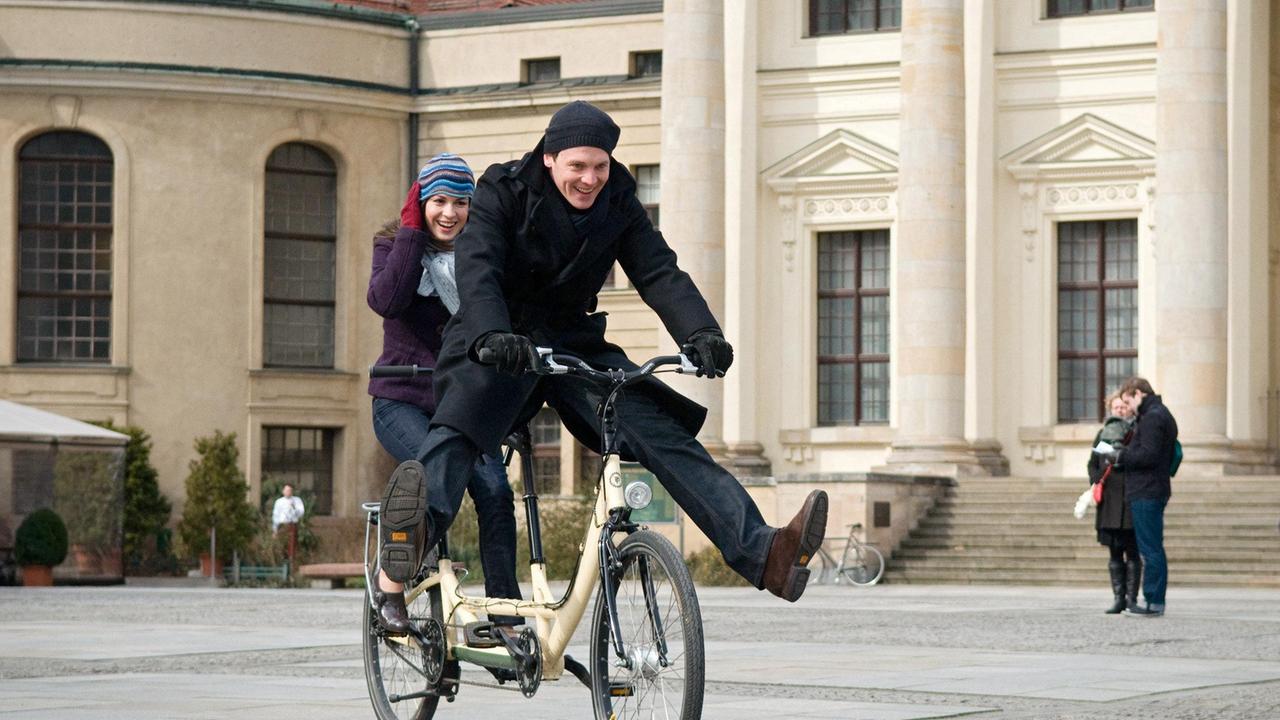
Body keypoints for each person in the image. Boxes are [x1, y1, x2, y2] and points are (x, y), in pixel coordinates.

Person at [377, 100, 828, 617]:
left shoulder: (619, 200)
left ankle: (765, 552)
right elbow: (478, 269)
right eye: (578, 166)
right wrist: (493, 335)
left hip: (573, 342)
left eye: (600, 166)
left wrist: (701, 332)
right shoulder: (503, 190)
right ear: (550, 158)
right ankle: (405, 545)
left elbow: (657, 270)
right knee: (460, 428)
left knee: (659, 431)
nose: (589, 179)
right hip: (500, 338)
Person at [368, 153, 522, 634]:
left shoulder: (482, 254)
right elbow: (386, 300)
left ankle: (504, 614)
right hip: (402, 398)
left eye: (461, 202)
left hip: (464, 403)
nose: (450, 213)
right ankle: (389, 583)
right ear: (420, 202)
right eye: (438, 201)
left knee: (496, 491)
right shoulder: (393, 244)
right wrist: (412, 232)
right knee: (435, 477)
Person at [1113, 376, 1178, 617]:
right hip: (1152, 488)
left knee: (1150, 549)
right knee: (1152, 548)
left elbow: (1148, 455)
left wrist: (1121, 456)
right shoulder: (1159, 414)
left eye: (1128, 401)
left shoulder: (1153, 418)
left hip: (1147, 489)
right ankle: (1154, 601)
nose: (1128, 408)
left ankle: (1153, 602)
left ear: (1139, 394)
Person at [1087, 392, 1139, 614]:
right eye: (1116, 407)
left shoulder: (1135, 432)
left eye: (1123, 406)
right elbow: (1092, 463)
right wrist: (1097, 480)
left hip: (1130, 498)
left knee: (1133, 552)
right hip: (1109, 500)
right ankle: (1118, 598)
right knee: (1114, 552)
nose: (1120, 410)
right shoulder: (1103, 434)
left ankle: (1132, 599)